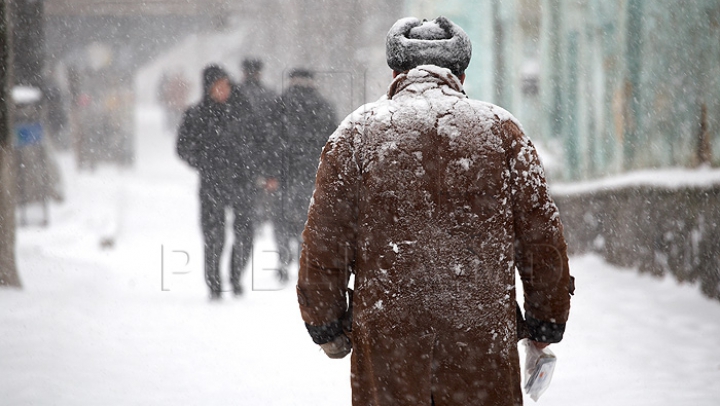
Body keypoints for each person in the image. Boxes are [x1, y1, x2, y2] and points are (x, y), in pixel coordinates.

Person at [296, 16, 574, 405]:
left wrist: (327, 326)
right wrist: (545, 323)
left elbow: (325, 242)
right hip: (481, 346)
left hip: (389, 346)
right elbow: (541, 239)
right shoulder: (502, 131)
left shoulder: (355, 135)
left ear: (395, 70)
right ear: (461, 73)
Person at [177, 64, 256, 300]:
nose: (222, 91)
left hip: (242, 181)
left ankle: (235, 277)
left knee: (245, 233)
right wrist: (202, 161)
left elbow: (261, 141)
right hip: (212, 183)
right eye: (217, 87)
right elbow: (183, 147)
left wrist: (255, 165)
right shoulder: (196, 114)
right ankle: (214, 283)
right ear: (207, 89)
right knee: (213, 235)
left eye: (225, 85)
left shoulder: (244, 111)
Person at [274, 68, 336, 282]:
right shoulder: (324, 106)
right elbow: (334, 140)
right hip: (313, 171)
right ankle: (305, 259)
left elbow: (269, 138)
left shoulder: (280, 104)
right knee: (308, 217)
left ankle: (282, 259)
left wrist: (270, 169)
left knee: (281, 217)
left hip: (284, 171)